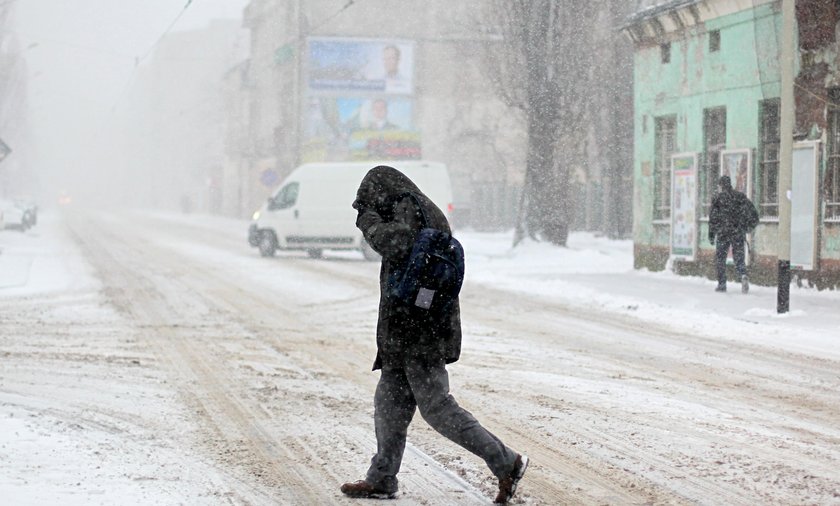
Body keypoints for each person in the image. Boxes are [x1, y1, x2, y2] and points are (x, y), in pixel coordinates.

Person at [342, 166, 528, 504]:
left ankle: (507, 462)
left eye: (367, 203)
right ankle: (382, 478)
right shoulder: (412, 207)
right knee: (389, 406)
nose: (366, 211)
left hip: (420, 335)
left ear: (379, 193)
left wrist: (368, 221)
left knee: (438, 409)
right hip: (406, 334)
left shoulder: (407, 208)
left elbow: (393, 244)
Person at [709, 175, 759, 293]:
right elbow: (754, 214)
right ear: (730, 184)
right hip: (737, 233)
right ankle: (743, 275)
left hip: (723, 233)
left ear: (721, 185)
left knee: (720, 259)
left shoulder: (718, 199)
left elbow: (713, 218)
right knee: (739, 259)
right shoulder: (740, 197)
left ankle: (722, 284)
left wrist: (711, 234)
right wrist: (747, 228)